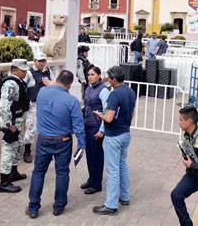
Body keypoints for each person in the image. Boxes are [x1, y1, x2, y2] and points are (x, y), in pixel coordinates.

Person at [26, 70, 85, 218]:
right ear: (70, 85)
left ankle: (33, 207)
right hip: (63, 140)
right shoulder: (72, 100)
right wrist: (81, 145)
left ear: (57, 78)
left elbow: (51, 87)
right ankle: (58, 206)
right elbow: (79, 126)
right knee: (62, 173)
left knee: (38, 172)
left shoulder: (42, 93)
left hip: (44, 139)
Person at [92, 66, 136, 216]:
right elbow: (132, 113)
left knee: (113, 170)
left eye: (109, 79)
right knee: (122, 165)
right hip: (125, 133)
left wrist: (99, 115)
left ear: (114, 80)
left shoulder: (114, 95)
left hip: (113, 136)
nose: (108, 81)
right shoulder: (130, 91)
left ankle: (111, 205)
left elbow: (109, 118)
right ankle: (124, 196)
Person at [0, 59, 30, 193]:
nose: (25, 72)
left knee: (17, 147)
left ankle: (13, 172)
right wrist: (9, 125)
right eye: (22, 70)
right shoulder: (10, 84)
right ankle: (4, 182)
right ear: (14, 70)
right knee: (8, 150)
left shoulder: (19, 82)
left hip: (18, 121)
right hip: (12, 123)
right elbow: (4, 106)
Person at [81, 66, 110, 195]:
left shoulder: (103, 90)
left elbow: (106, 111)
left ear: (99, 75)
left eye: (92, 74)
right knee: (89, 154)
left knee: (97, 156)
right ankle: (91, 178)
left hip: (96, 126)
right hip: (87, 124)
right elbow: (86, 106)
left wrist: (102, 129)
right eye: (88, 74)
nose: (90, 77)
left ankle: (96, 183)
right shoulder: (88, 89)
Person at [23, 52, 55, 163]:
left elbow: (54, 84)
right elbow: (24, 87)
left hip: (46, 104)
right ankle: (27, 152)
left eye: (43, 61)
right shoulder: (29, 73)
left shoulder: (48, 71)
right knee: (31, 128)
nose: (41, 63)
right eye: (39, 61)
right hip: (34, 104)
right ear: (35, 61)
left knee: (46, 128)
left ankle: (46, 152)